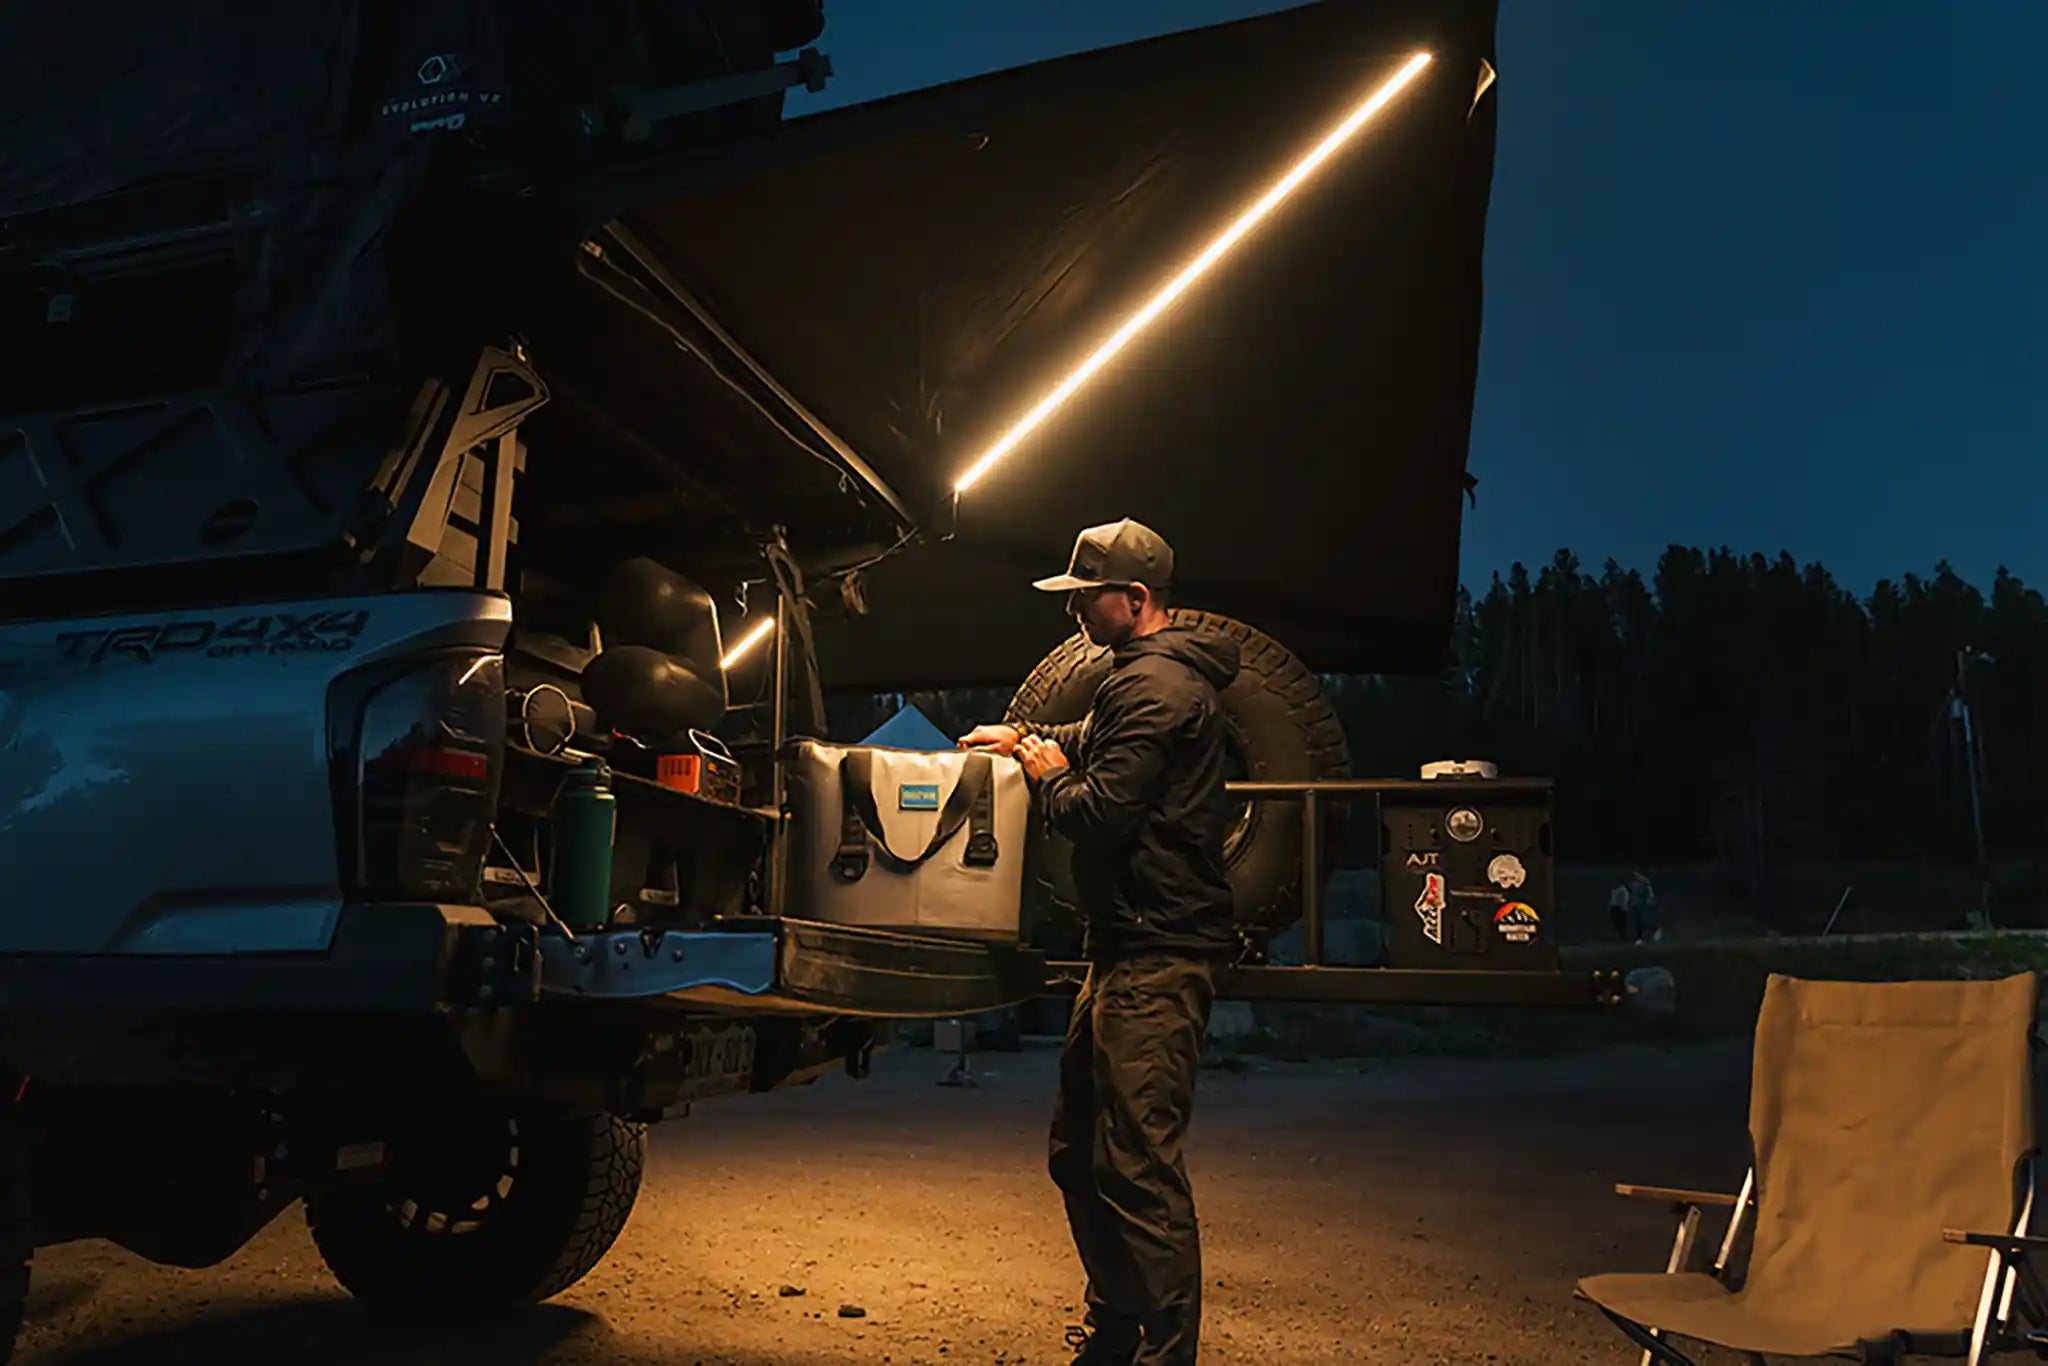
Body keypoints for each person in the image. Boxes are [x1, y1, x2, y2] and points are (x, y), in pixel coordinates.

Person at [959, 518, 1238, 1366]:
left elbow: (1098, 812)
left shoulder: (1155, 688)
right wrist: (1034, 740)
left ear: (1136, 599)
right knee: (1079, 1152)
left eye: (1087, 597)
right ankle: (1117, 1330)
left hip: (1158, 952)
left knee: (1137, 1164)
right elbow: (1104, 744)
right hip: (1122, 948)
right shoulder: (1140, 680)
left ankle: (1163, 1351)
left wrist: (1046, 776)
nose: (1074, 611)